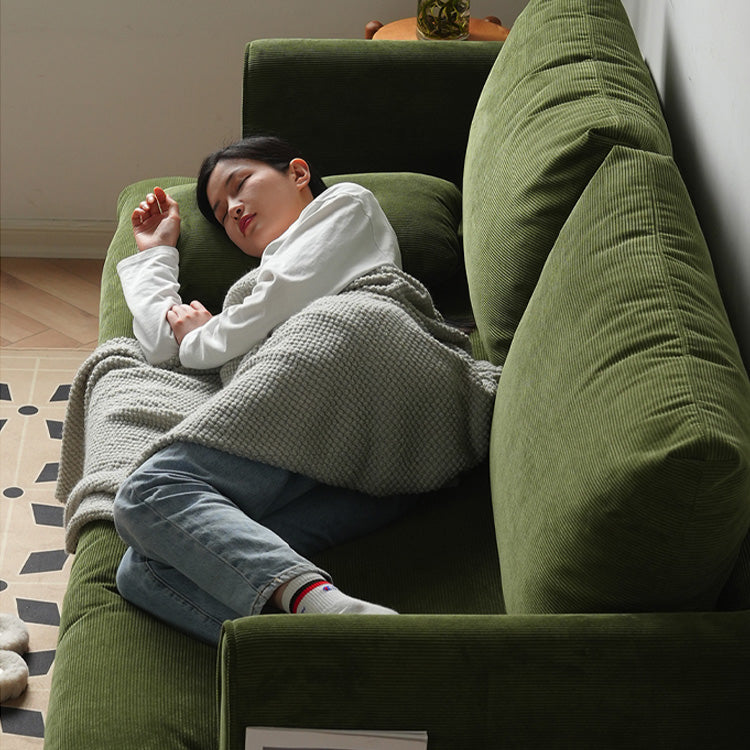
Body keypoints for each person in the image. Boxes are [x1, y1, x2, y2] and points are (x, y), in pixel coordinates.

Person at [112, 136, 417, 645]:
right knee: (144, 570)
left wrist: (204, 336)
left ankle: (336, 615)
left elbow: (222, 333)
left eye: (239, 186)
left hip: (368, 408)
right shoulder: (255, 295)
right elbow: (164, 347)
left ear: (298, 174)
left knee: (149, 491)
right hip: (336, 468)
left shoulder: (346, 206)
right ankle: (338, 655)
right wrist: (158, 253)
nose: (233, 210)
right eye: (221, 214)